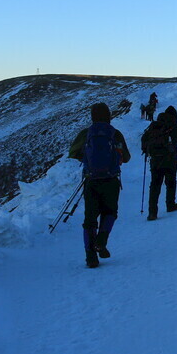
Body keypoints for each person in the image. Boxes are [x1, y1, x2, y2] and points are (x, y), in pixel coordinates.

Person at [68, 102, 131, 268]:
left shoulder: (86, 133)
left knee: (90, 219)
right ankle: (101, 240)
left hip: (91, 180)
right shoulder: (115, 134)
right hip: (111, 180)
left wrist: (87, 159)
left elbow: (72, 152)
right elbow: (127, 156)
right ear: (108, 115)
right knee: (110, 212)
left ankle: (90, 257)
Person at [141, 106, 177, 220]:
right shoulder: (175, 127)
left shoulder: (154, 126)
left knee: (155, 185)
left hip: (155, 160)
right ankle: (170, 205)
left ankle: (152, 212)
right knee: (170, 182)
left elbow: (144, 143)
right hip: (170, 160)